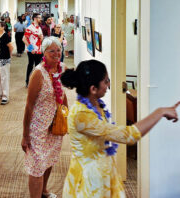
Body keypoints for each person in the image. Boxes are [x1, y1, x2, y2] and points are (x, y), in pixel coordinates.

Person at [60, 60, 179, 197]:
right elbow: (129, 135)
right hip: (89, 180)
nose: (109, 85)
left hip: (101, 171)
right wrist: (160, 112)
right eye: (106, 81)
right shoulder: (82, 115)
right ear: (93, 89)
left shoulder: (95, 104)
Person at [21, 36, 68, 198]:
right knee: (37, 165)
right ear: (44, 52)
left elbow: (62, 93)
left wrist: (65, 116)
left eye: (59, 50)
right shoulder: (38, 73)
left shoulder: (62, 67)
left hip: (55, 125)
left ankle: (43, 191)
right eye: (52, 51)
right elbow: (29, 106)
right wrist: (25, 135)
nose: (56, 54)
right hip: (38, 127)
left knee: (49, 159)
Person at [0, 21, 13, 105]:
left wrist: (9, 56)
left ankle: (5, 96)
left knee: (4, 77)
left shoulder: (6, 36)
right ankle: (0, 93)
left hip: (4, 59)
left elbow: (11, 47)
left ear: (3, 27)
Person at [23, 13, 43, 87]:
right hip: (32, 51)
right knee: (30, 66)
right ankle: (27, 82)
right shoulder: (30, 28)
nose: (40, 19)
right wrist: (31, 49)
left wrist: (41, 37)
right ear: (35, 18)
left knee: (38, 67)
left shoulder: (39, 28)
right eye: (39, 18)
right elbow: (24, 39)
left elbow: (41, 38)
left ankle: (36, 82)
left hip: (39, 50)